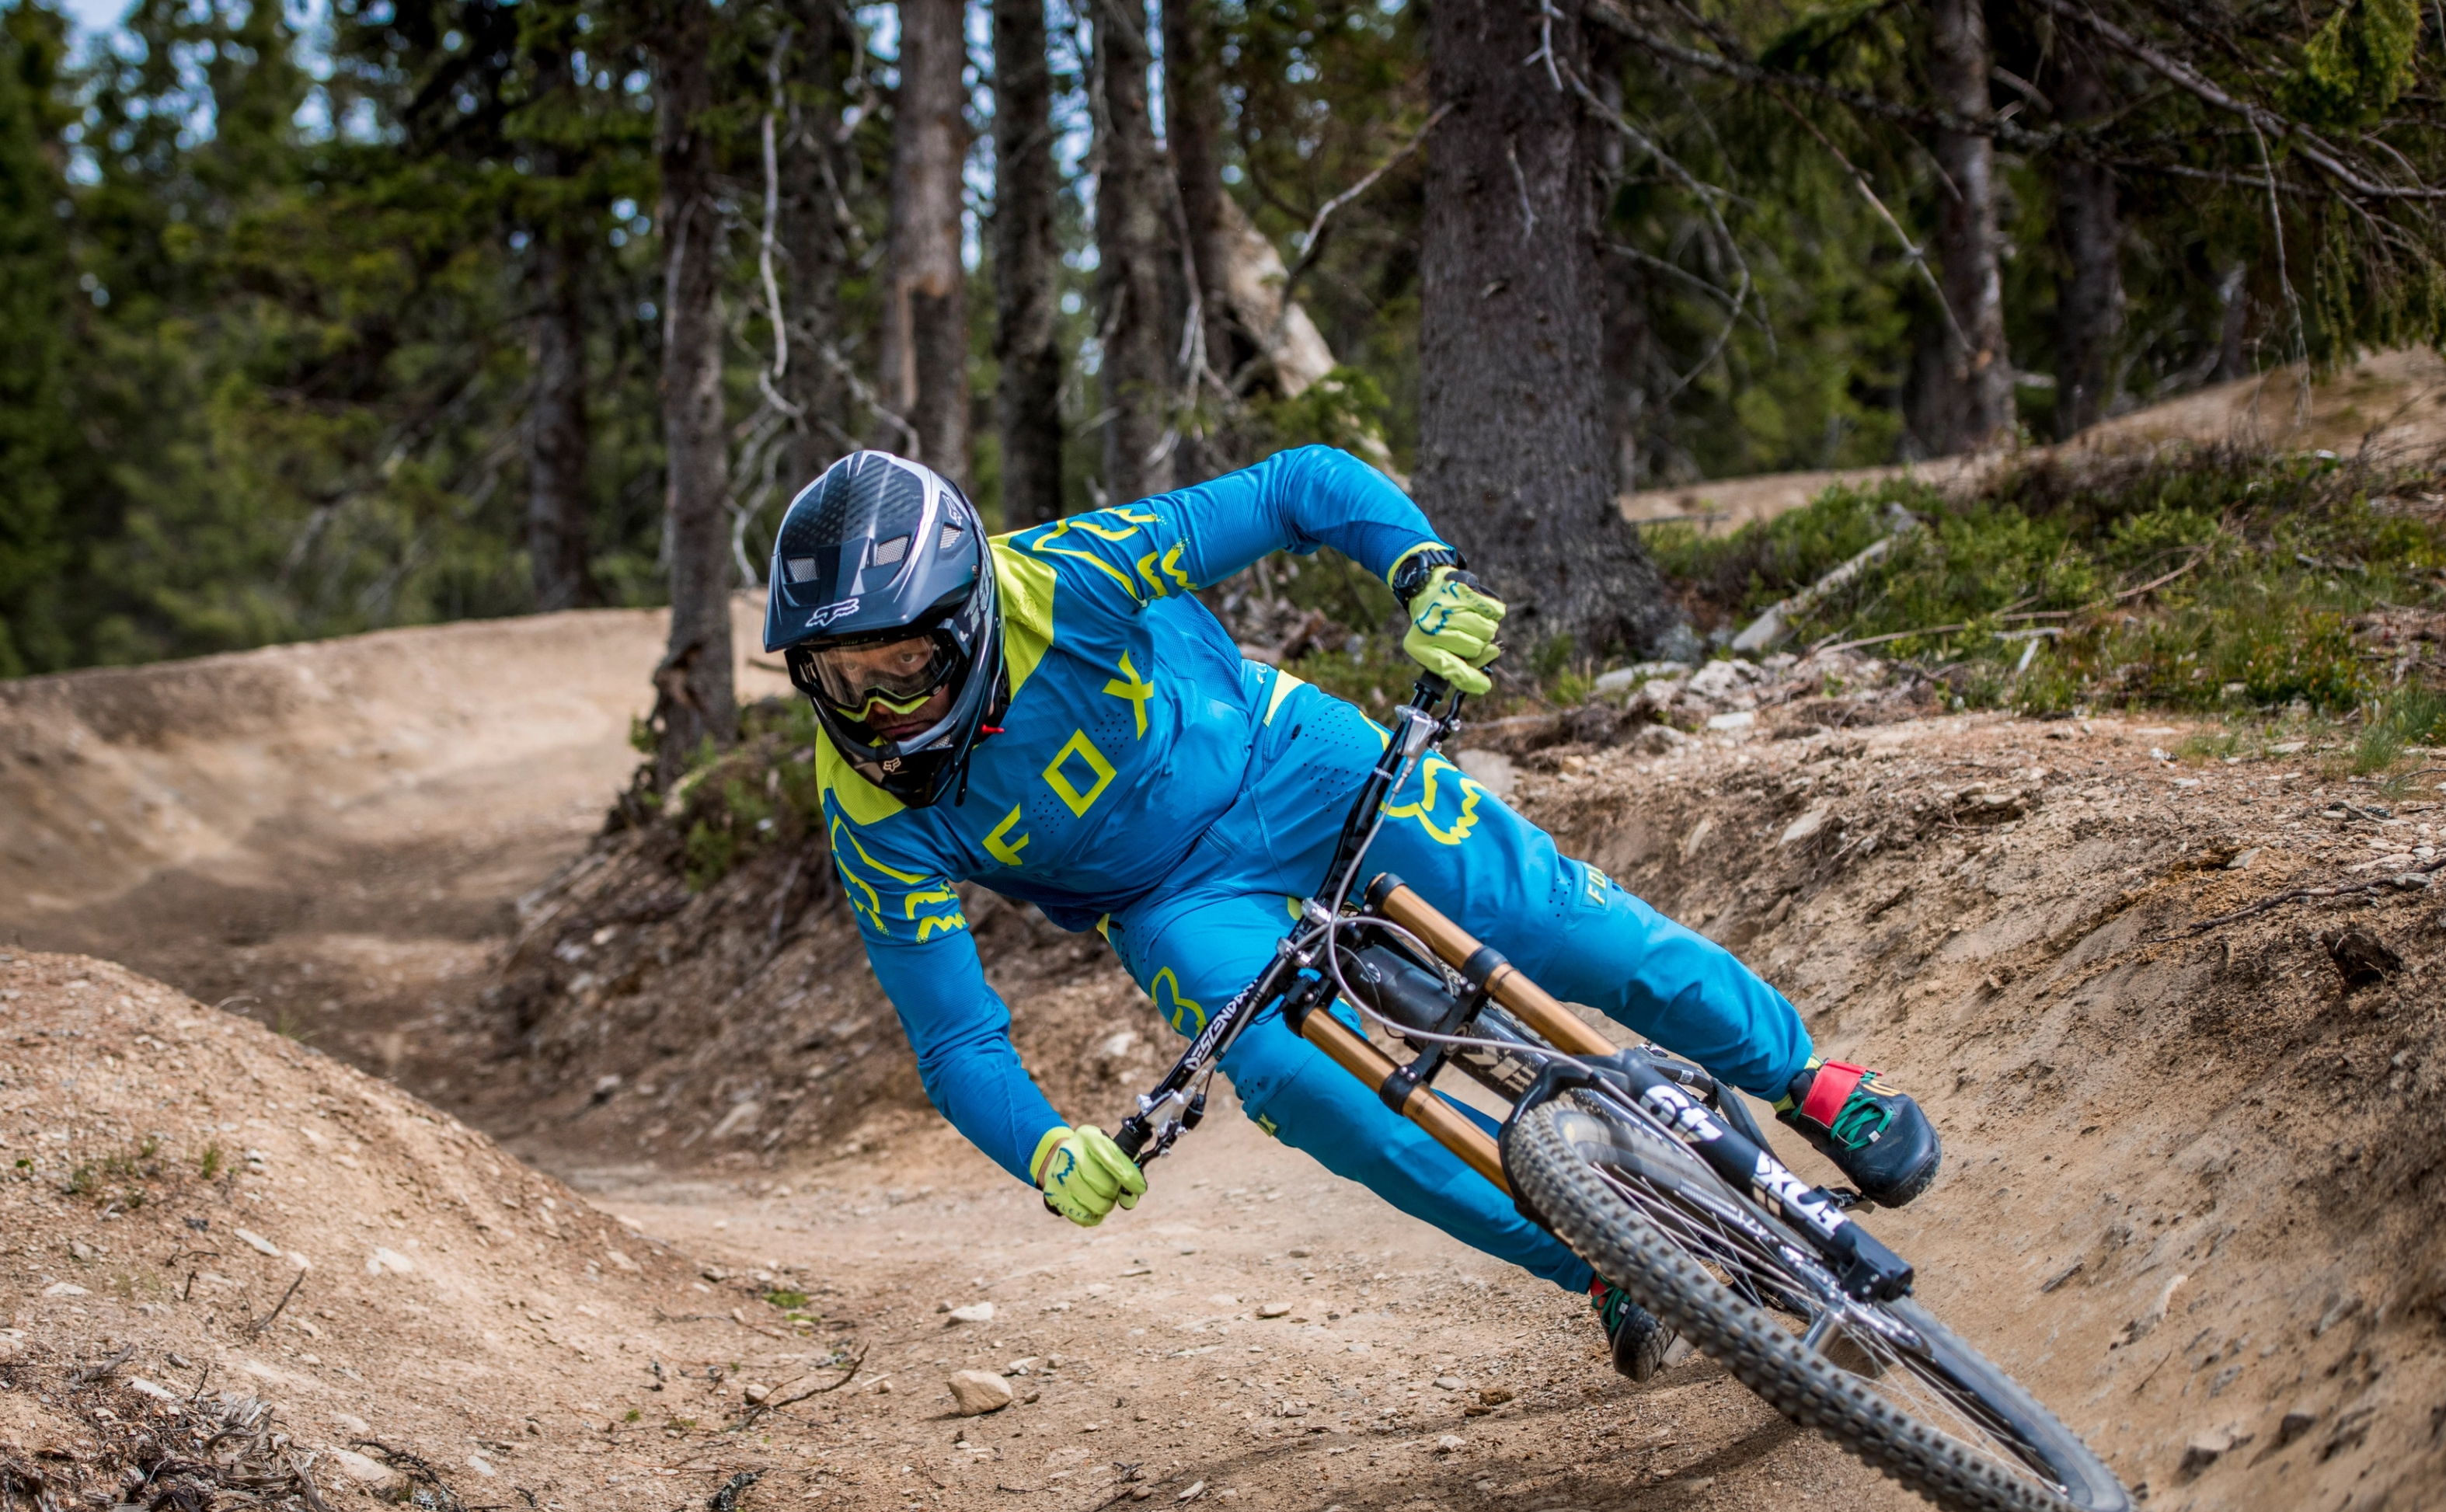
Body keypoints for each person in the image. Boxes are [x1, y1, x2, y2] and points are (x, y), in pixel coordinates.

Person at [768, 446, 1936, 1380]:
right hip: (1171, 904)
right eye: (839, 679)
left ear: (967, 618)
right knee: (1296, 1085)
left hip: (1292, 760)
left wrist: (1423, 575)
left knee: (1565, 928)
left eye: (902, 668)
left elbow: (1295, 488)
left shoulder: (1069, 576)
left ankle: (1813, 1083)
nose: (873, 710)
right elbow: (957, 1039)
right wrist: (1043, 1147)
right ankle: (1603, 1261)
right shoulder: (868, 814)